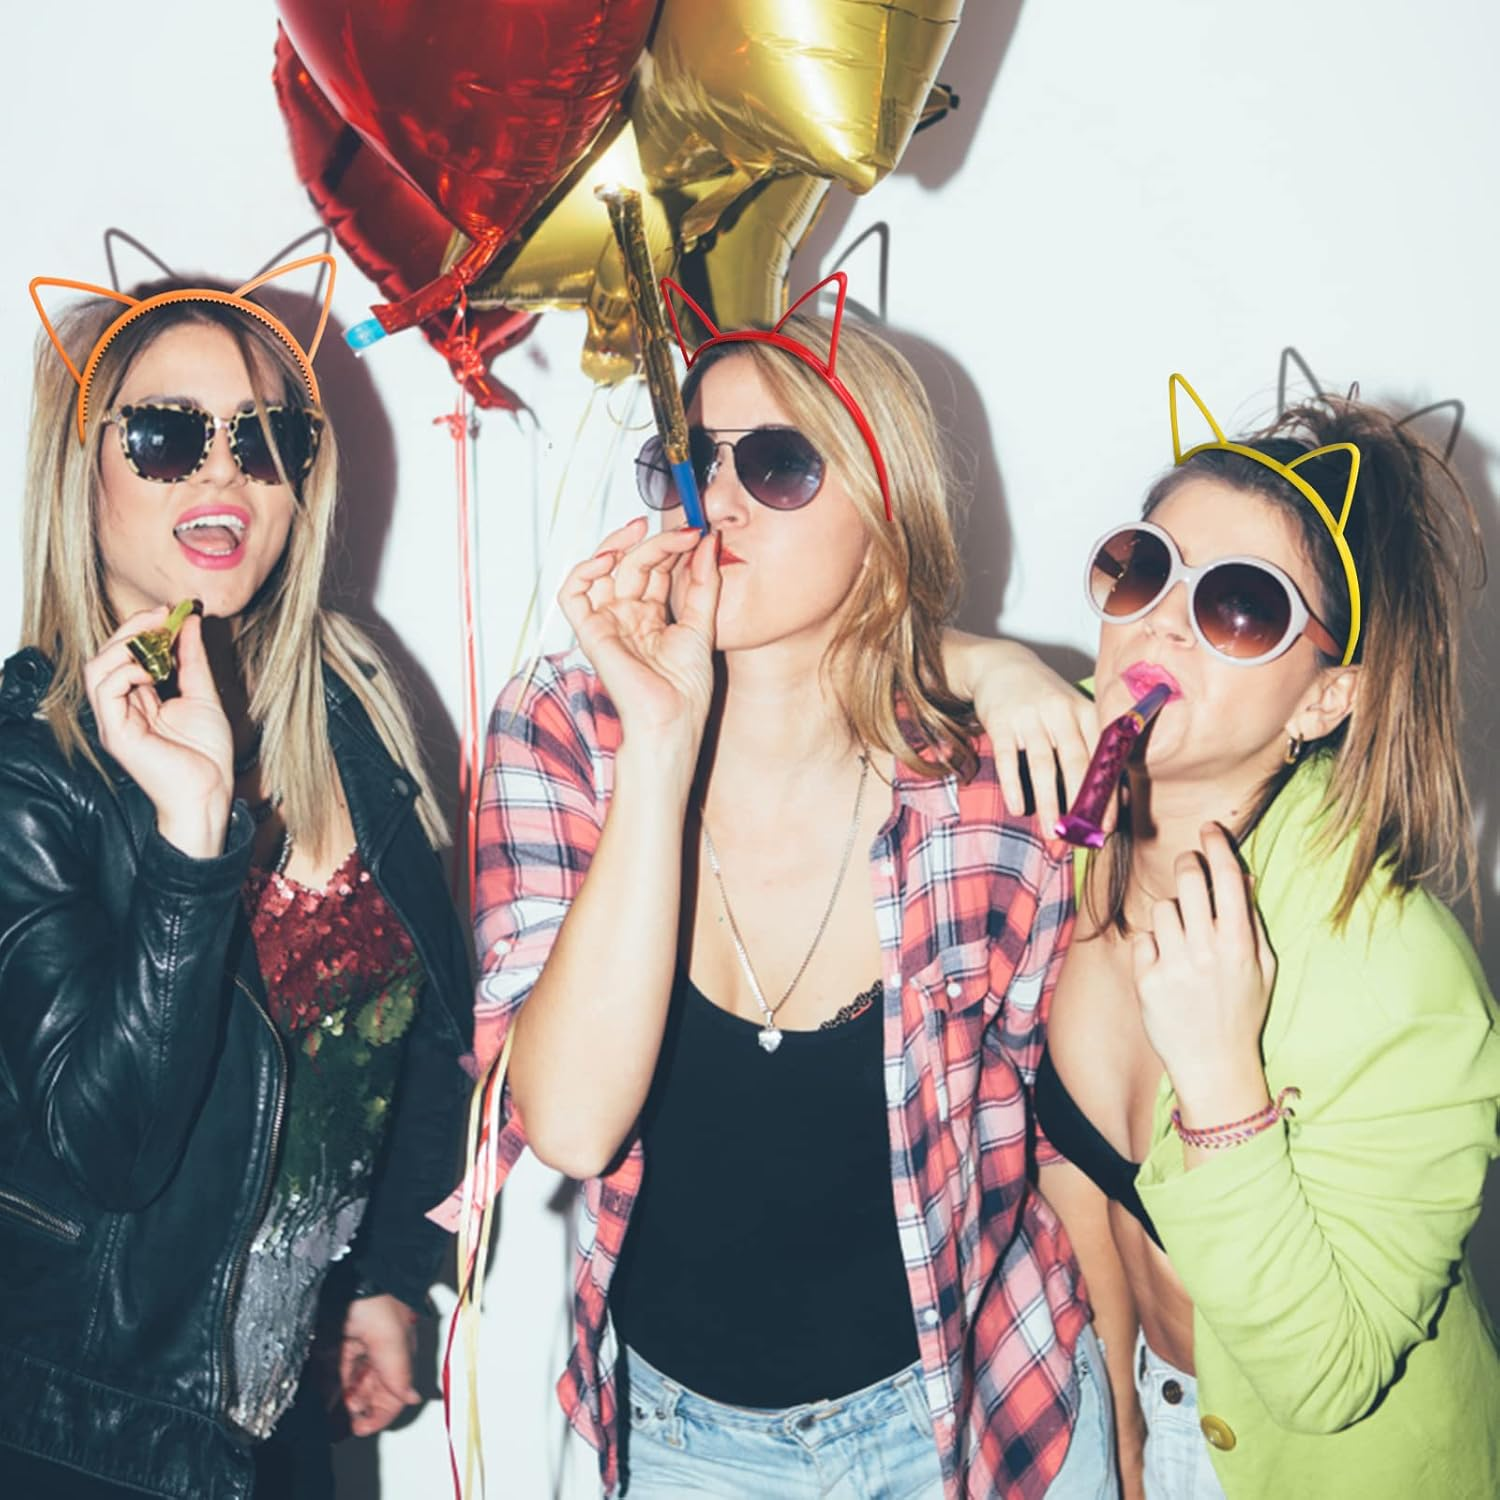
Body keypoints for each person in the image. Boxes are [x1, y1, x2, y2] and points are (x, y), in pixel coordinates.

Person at [454, 276, 1116, 1499]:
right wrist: (661, 745)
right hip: (685, 1446)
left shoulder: (994, 786)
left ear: (884, 505)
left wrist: (992, 662)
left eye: (779, 464)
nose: (716, 499)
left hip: (976, 1415)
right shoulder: (566, 728)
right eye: (688, 462)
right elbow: (572, 1124)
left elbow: (1061, 1140)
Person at [0, 259, 473, 1498]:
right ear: (84, 468)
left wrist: (384, 1279)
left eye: (267, 439)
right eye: (168, 436)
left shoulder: (348, 704)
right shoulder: (29, 771)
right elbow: (113, 1152)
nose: (225, 474)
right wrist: (190, 839)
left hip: (271, 1426)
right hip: (87, 1438)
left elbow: (427, 1029)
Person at [1032, 374, 1500, 1497]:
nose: (1158, 619)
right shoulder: (1082, 812)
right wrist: (1121, 1436)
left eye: (1238, 607)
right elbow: (879, 675)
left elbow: (1327, 1375)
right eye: (1142, 567)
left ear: (1324, 701)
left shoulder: (1396, 972)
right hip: (1132, 1406)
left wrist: (1220, 1085)